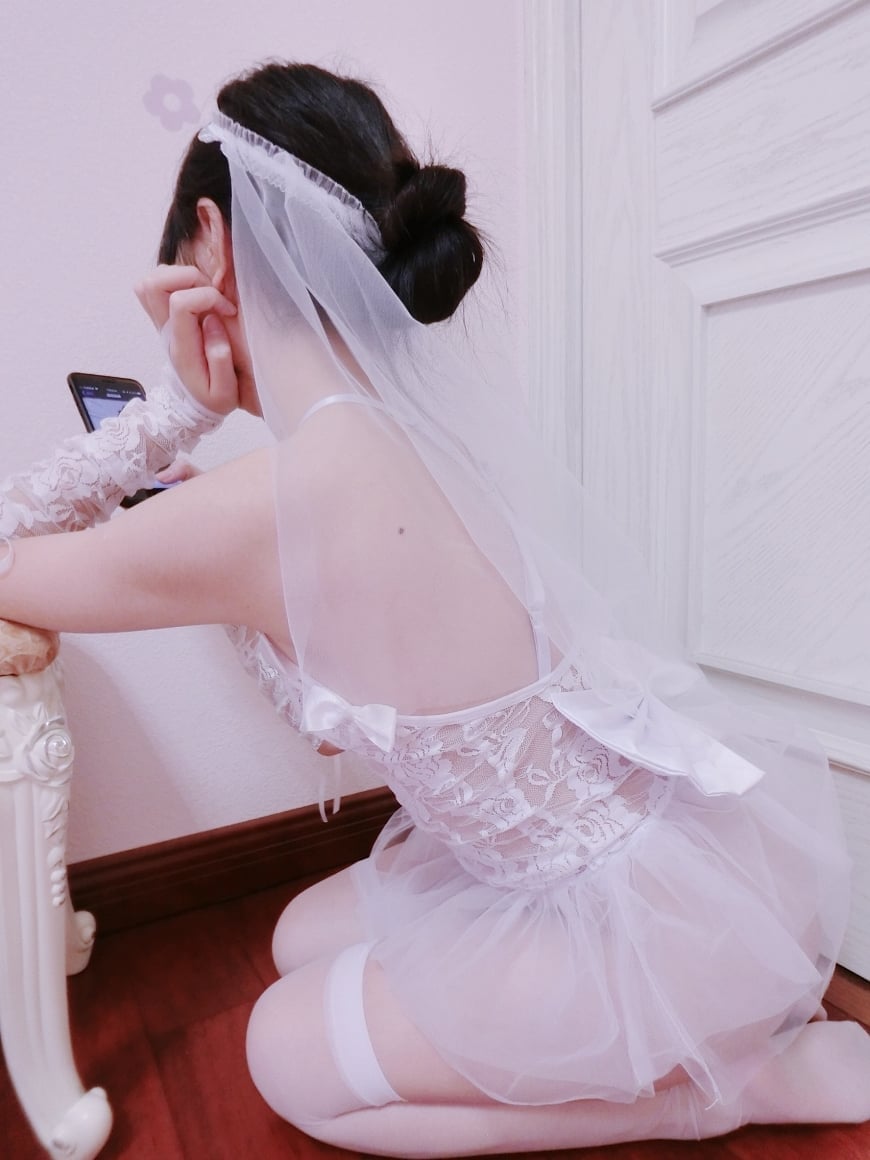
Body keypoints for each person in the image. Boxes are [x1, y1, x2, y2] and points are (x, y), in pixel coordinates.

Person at [1, 61, 869, 1159]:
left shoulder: (259, 503)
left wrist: (175, 411)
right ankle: (689, 1027)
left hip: (631, 927)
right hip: (702, 864)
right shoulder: (419, 436)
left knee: (284, 1053)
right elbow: (346, 716)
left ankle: (729, 1090)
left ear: (211, 240)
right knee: (299, 934)